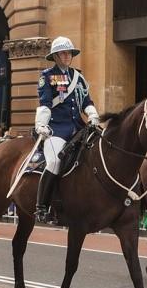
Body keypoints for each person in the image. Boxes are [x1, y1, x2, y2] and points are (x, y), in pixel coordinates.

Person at [34, 36, 100, 223]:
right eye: (62, 53)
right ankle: (42, 206)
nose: (66, 56)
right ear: (55, 56)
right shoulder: (47, 76)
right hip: (56, 128)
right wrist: (42, 124)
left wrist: (92, 115)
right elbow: (46, 103)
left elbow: (87, 100)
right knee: (54, 162)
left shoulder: (78, 77)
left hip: (78, 127)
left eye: (69, 53)